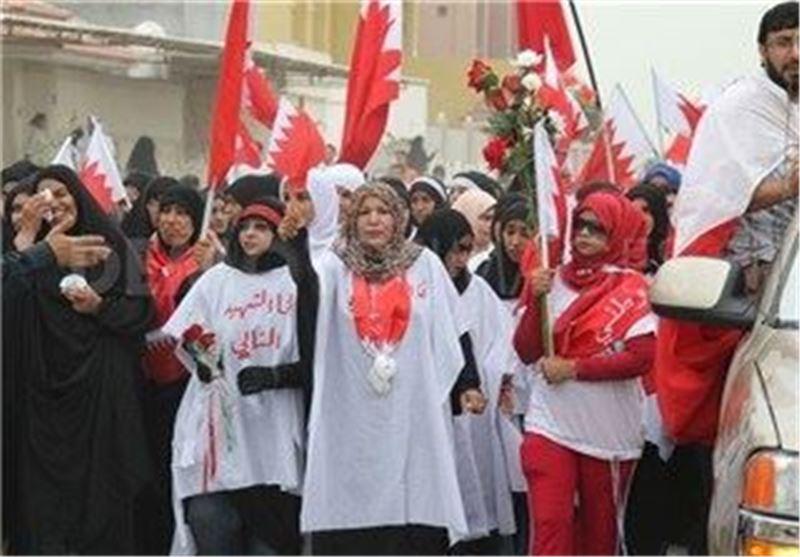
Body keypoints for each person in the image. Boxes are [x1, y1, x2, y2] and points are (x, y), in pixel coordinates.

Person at [654, 3, 798, 553]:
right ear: (763, 51)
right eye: (783, 42)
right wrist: (790, 186)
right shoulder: (740, 109)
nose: (795, 54)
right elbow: (713, 198)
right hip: (759, 293)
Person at [301, 182, 484, 555]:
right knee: (353, 504)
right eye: (365, 212)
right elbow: (307, 308)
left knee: (412, 492)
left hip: (410, 405)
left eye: (383, 212)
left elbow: (454, 329)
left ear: (397, 218)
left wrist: (467, 382)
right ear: (352, 218)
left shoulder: (423, 264)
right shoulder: (335, 264)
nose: (373, 220)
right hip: (350, 408)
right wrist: (292, 245)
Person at [5, 164, 153, 554]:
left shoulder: (114, 246)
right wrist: (29, 250)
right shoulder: (28, 257)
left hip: (99, 397)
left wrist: (100, 307)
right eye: (43, 196)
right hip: (42, 400)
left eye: (62, 192)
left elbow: (142, 312)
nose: (54, 202)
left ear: (79, 195)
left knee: (103, 504)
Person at [162, 197, 318, 555]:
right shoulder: (216, 280)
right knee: (214, 528)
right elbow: (189, 333)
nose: (250, 234)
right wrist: (202, 358)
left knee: (270, 539)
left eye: (261, 227)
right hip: (220, 423)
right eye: (244, 227)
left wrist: (278, 375)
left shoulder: (296, 283)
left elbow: (315, 352)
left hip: (274, 425)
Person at [513, 191, 654, 555]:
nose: (584, 236)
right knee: (550, 525)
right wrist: (535, 298)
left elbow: (641, 359)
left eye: (598, 229)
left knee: (598, 538)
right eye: (580, 225)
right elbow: (527, 351)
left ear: (617, 234)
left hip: (607, 437)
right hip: (550, 425)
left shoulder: (631, 287)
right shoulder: (549, 278)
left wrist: (575, 368)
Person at [416, 209, 516, 554]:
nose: (460, 259)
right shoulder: (414, 285)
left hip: (469, 411)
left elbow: (496, 343)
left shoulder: (478, 291)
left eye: (466, 250)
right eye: (454, 249)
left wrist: (479, 380)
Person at [135, 184, 207, 554]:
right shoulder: (137, 257)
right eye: (167, 211)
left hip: (185, 383)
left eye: (183, 214)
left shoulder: (207, 261)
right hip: (141, 381)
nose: (173, 221)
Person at [626, 183, 670, 276]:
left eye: (645, 210)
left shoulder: (667, 265)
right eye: (632, 210)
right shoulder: (610, 264)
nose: (639, 217)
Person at [452, 188, 497, 272]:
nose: (491, 225)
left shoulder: (495, 261)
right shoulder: (446, 255)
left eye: (495, 219)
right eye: (486, 218)